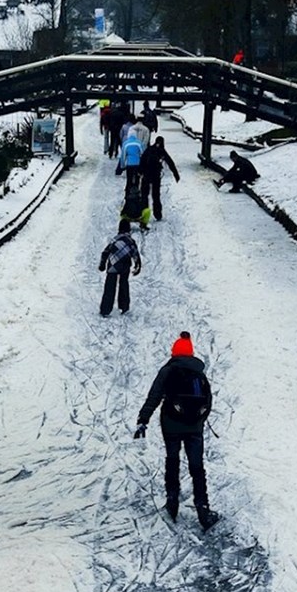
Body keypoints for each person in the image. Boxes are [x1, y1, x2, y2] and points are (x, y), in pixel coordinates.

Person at [134, 332, 219, 530]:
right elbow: (208, 400)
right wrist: (198, 420)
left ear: (174, 352)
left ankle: (172, 502)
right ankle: (203, 509)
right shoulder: (199, 372)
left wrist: (143, 419)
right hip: (194, 427)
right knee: (197, 467)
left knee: (172, 460)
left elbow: (154, 395)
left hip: (171, 423)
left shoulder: (168, 370)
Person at [98, 218, 141, 316]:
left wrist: (102, 265)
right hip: (125, 266)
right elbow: (135, 254)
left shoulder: (114, 239)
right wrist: (137, 266)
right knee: (124, 285)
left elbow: (105, 252)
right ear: (129, 229)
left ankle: (105, 309)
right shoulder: (130, 241)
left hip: (113, 264)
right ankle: (124, 307)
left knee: (110, 286)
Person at [139, 135, 180, 221]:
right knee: (156, 195)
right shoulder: (161, 151)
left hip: (146, 175)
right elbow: (170, 162)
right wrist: (176, 174)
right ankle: (157, 214)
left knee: (144, 195)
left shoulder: (149, 149)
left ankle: (143, 213)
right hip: (155, 176)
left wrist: (140, 172)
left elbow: (142, 159)